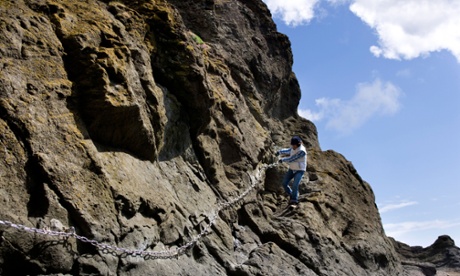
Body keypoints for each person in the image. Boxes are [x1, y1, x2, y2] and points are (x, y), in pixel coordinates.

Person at [275, 136, 307, 206]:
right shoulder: (293, 147)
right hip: (292, 168)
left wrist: (282, 160)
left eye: (294, 145)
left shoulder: (302, 151)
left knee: (295, 185)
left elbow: (292, 158)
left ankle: (294, 200)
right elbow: (288, 151)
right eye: (292, 145)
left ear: (298, 144)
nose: (292, 146)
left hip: (300, 170)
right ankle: (291, 194)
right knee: (284, 183)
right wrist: (279, 152)